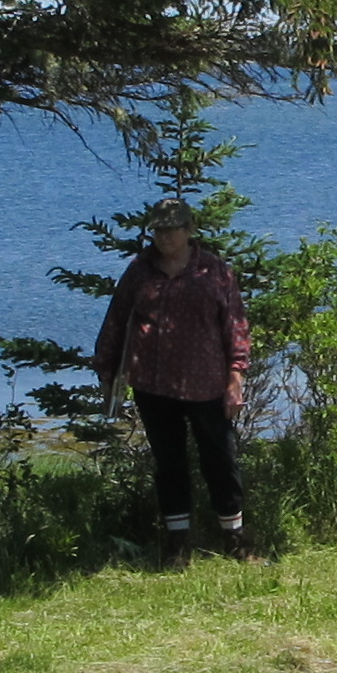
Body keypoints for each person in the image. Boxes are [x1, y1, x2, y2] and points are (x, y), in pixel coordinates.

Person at [90, 202, 252, 569]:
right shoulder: (139, 272)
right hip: (153, 382)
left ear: (189, 230)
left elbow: (236, 327)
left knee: (220, 460)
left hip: (206, 383)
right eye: (158, 231)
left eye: (172, 230)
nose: (164, 237)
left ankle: (235, 538)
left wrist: (235, 378)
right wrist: (108, 371)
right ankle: (178, 545)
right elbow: (116, 320)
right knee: (169, 463)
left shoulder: (215, 272)